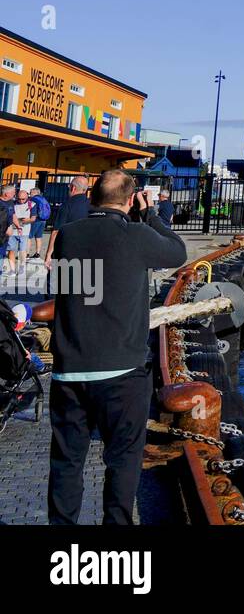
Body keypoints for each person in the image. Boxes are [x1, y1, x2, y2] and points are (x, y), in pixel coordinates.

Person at [47, 167, 187, 525]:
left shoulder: (68, 236)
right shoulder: (137, 235)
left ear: (91, 197)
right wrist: (150, 215)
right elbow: (177, 252)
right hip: (122, 372)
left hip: (69, 370)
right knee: (123, 460)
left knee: (66, 462)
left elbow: (67, 293)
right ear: (129, 200)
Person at [44, 174, 91, 269]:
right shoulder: (92, 205)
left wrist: (48, 255)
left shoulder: (66, 206)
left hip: (66, 250)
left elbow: (56, 232)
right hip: (86, 250)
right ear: (85, 190)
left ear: (73, 188)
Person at [27, 186, 50, 260]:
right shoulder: (43, 199)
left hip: (36, 219)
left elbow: (29, 208)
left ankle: (27, 253)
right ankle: (37, 253)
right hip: (43, 220)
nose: (30, 194)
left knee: (29, 237)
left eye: (31, 193)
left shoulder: (33, 199)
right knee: (38, 237)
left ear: (34, 192)